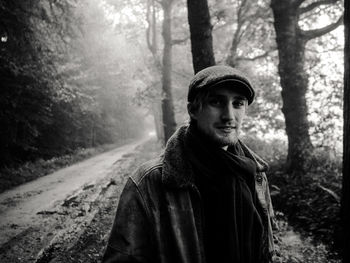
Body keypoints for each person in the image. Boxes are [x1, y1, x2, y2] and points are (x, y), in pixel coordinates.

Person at [102, 65, 275, 263]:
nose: (229, 115)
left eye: (238, 104)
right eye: (216, 102)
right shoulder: (149, 183)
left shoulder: (255, 175)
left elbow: (266, 250)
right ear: (193, 109)